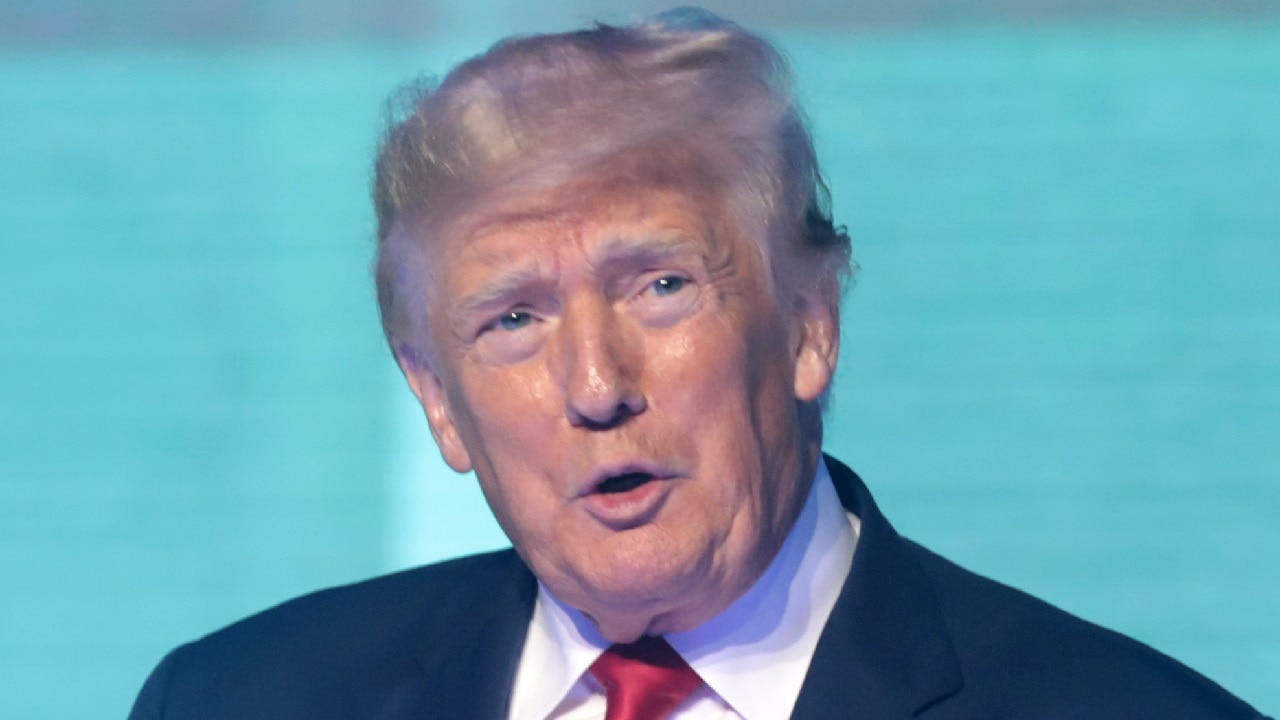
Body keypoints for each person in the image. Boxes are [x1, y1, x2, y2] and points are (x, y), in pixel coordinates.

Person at [130, 8, 1270, 720]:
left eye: (658, 286)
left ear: (809, 321)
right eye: (513, 320)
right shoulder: (237, 700)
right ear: (435, 398)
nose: (594, 386)